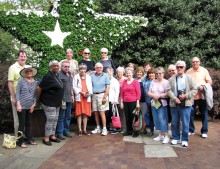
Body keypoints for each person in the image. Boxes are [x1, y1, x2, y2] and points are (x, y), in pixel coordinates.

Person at [167, 61, 197, 147]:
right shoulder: (172, 79)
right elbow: (168, 90)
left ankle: (184, 139)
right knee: (174, 122)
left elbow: (195, 89)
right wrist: (174, 98)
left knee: (185, 122)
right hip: (174, 103)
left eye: (181, 67)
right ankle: (176, 138)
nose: (179, 68)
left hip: (186, 103)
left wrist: (186, 96)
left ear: (184, 68)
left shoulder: (189, 78)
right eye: (178, 67)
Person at [38, 60, 64, 146]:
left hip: (56, 102)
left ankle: (52, 135)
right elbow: (39, 88)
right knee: (50, 119)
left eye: (57, 65)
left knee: (55, 119)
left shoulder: (56, 75)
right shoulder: (48, 76)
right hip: (49, 102)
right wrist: (38, 98)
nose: (56, 67)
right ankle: (46, 137)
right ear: (50, 67)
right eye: (54, 66)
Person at [186, 57, 212, 138]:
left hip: (202, 95)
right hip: (192, 96)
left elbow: (209, 82)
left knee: (204, 113)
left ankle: (204, 131)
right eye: (193, 62)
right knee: (190, 113)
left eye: (197, 62)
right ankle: (191, 130)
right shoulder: (188, 71)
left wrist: (204, 87)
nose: (195, 63)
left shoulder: (204, 70)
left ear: (199, 62)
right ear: (191, 63)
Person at [16, 66, 38, 148]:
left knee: (28, 123)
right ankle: (20, 141)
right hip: (21, 105)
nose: (29, 72)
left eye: (30, 71)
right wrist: (18, 104)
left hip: (30, 106)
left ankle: (28, 139)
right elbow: (17, 93)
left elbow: (35, 95)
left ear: (32, 73)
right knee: (21, 124)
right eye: (27, 71)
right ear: (25, 73)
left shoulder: (35, 82)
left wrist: (34, 104)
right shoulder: (21, 81)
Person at [8, 50, 28, 137]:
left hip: (27, 98)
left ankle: (25, 138)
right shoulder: (13, 67)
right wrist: (13, 97)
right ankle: (18, 138)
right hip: (17, 97)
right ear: (18, 57)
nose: (23, 58)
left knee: (25, 120)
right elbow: (10, 83)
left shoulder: (28, 67)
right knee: (18, 120)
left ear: (26, 58)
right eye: (21, 56)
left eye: (24, 56)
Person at [148, 67, 170, 144]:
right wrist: (153, 96)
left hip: (162, 102)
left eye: (160, 73)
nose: (158, 75)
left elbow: (168, 93)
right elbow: (149, 92)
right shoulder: (153, 82)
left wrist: (159, 95)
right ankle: (160, 134)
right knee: (156, 118)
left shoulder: (166, 82)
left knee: (162, 119)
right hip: (154, 102)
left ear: (163, 74)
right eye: (157, 73)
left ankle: (166, 135)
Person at [73, 64, 93, 136]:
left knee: (85, 114)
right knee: (79, 114)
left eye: (84, 69)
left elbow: (90, 87)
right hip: (80, 97)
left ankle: (84, 129)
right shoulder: (76, 77)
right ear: (79, 70)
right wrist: (81, 92)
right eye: (81, 69)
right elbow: (74, 87)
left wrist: (88, 93)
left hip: (86, 97)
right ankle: (80, 130)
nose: (82, 70)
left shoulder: (88, 77)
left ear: (86, 70)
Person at [120, 67, 141, 137]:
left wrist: (137, 103)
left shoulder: (136, 82)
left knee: (134, 117)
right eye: (127, 73)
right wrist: (121, 102)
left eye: (129, 73)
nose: (128, 74)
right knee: (127, 117)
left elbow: (138, 93)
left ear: (132, 74)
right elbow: (122, 93)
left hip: (133, 102)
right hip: (126, 102)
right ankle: (129, 130)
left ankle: (135, 131)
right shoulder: (124, 82)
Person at [56, 61, 74, 140]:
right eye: (65, 66)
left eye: (68, 66)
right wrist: (60, 99)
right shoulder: (59, 75)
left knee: (67, 116)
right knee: (61, 116)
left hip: (69, 99)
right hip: (63, 99)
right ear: (61, 67)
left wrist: (72, 95)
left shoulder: (70, 74)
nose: (67, 68)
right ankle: (60, 132)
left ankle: (66, 130)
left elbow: (71, 86)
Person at [91, 63, 110, 136]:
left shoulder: (105, 75)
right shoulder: (92, 76)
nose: (99, 69)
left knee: (102, 113)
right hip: (94, 95)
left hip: (102, 95)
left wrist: (105, 97)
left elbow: (108, 87)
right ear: (95, 68)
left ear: (102, 68)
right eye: (97, 67)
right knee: (95, 112)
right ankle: (98, 127)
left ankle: (104, 128)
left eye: (100, 67)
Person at [106, 68, 120, 134]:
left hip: (112, 100)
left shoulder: (115, 81)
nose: (109, 73)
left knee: (113, 115)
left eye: (110, 72)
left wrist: (115, 100)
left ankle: (115, 128)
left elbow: (117, 91)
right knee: (108, 115)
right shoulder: (105, 80)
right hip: (106, 100)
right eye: (108, 72)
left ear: (112, 73)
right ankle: (110, 127)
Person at [143, 68, 156, 136]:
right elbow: (146, 93)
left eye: (152, 73)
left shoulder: (157, 81)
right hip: (150, 102)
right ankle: (151, 130)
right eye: (150, 73)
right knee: (149, 116)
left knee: (157, 115)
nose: (151, 74)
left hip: (158, 101)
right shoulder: (146, 83)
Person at [136, 66, 147, 134]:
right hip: (136, 101)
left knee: (144, 115)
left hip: (144, 100)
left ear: (142, 73)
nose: (139, 73)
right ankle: (137, 128)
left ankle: (143, 128)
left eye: (140, 72)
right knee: (137, 115)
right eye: (138, 72)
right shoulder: (134, 80)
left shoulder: (145, 80)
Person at [116, 66, 127, 133]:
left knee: (124, 113)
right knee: (119, 113)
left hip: (123, 98)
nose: (119, 73)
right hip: (117, 98)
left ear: (123, 72)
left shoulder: (125, 79)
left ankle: (125, 127)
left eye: (121, 72)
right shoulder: (116, 79)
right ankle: (120, 126)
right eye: (118, 72)